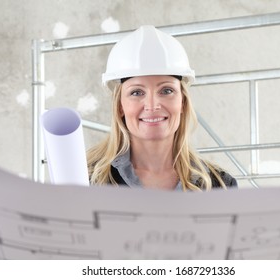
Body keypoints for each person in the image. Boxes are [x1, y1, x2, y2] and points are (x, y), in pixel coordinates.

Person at [87, 25, 237, 191]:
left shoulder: (219, 186)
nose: (152, 106)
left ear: (183, 103)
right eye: (137, 92)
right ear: (120, 106)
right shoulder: (88, 180)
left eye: (166, 90)